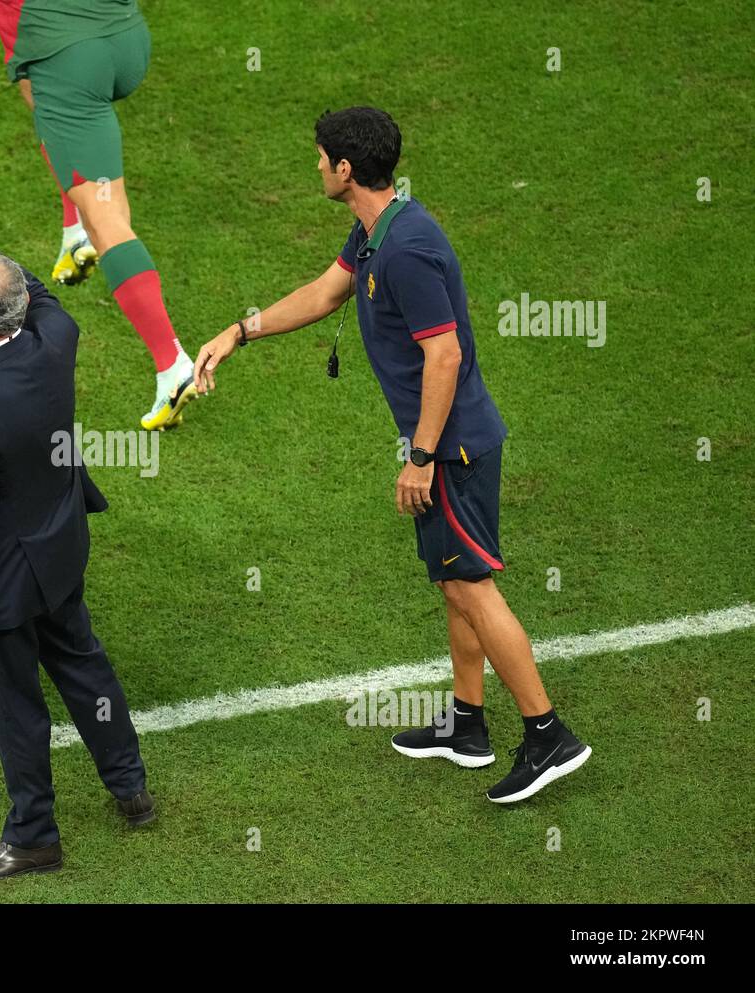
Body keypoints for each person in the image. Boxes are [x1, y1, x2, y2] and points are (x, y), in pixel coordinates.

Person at [192, 107, 591, 803]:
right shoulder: (379, 227)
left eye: (320, 158)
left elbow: (445, 354)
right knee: (451, 577)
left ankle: (547, 733)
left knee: (471, 583)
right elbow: (324, 292)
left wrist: (424, 456)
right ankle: (467, 723)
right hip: (447, 442)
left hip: (454, 447)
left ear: (346, 169)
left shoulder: (404, 248)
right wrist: (238, 332)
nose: (314, 166)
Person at [0, 251, 154, 878]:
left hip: (4, 584)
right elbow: (45, 297)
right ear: (23, 308)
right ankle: (129, 785)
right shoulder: (54, 344)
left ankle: (33, 835)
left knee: (17, 709)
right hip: (59, 552)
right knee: (84, 668)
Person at [0, 0, 198, 431]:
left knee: (109, 222)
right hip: (125, 40)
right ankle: (75, 229)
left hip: (68, 57)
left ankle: (172, 364)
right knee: (46, 105)